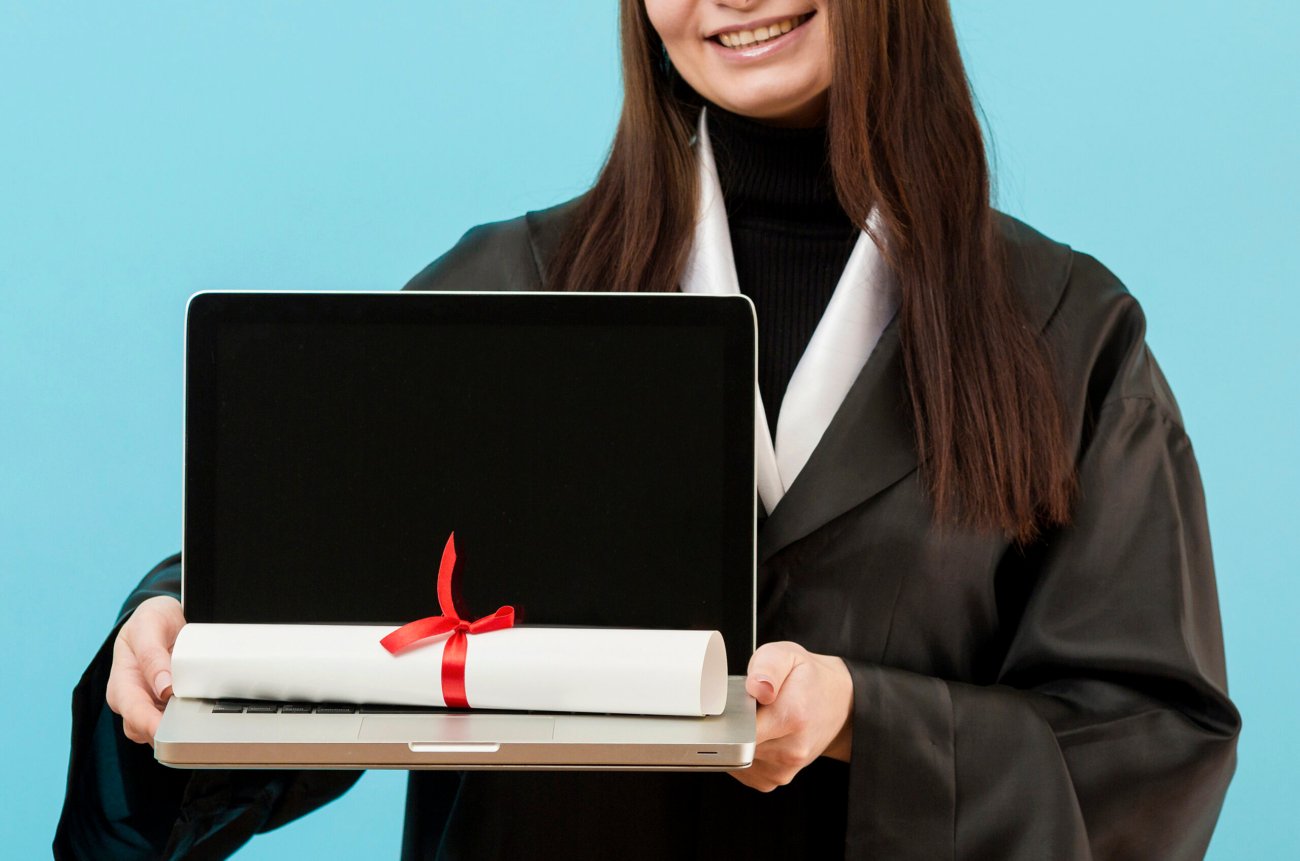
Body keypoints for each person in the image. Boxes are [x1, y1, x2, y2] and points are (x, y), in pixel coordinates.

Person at [56, 1, 1240, 858]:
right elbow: (311, 580)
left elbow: (1148, 745)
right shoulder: (512, 292)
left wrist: (861, 723)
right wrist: (171, 631)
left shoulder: (1060, 331)